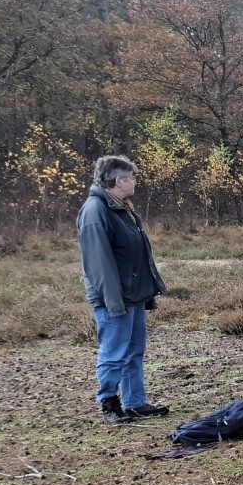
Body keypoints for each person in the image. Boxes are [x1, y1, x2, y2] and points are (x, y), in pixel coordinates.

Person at [78, 155, 169, 425]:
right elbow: (98, 263)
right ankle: (109, 404)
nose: (135, 182)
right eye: (132, 178)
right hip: (114, 297)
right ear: (119, 181)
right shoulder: (96, 210)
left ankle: (135, 402)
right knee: (114, 352)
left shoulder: (122, 207)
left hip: (133, 295)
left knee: (134, 350)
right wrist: (112, 299)